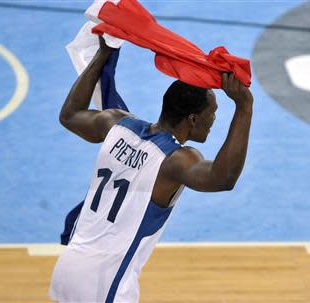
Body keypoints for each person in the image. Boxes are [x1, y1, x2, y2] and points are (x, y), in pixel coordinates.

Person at [50, 37, 253, 303]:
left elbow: (70, 114)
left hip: (69, 266)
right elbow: (223, 178)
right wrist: (244, 107)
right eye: (212, 114)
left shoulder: (117, 124)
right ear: (193, 119)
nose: (214, 120)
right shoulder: (176, 160)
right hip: (106, 282)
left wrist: (104, 52)